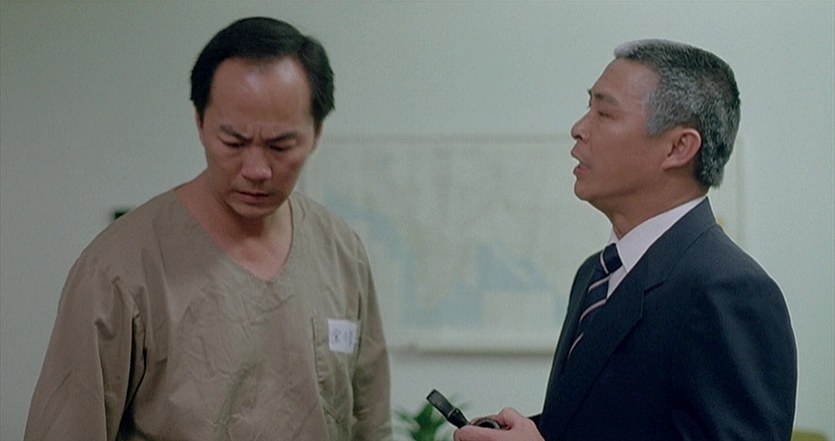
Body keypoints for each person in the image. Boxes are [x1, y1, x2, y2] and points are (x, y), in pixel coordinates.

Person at [24, 17, 392, 441]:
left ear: (316, 133)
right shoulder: (118, 269)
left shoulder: (341, 251)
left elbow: (370, 424)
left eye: (281, 145)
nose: (256, 169)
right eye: (233, 142)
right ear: (200, 122)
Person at [454, 39, 797, 441]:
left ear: (678, 147)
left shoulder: (728, 289)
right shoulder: (596, 273)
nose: (578, 129)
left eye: (604, 113)